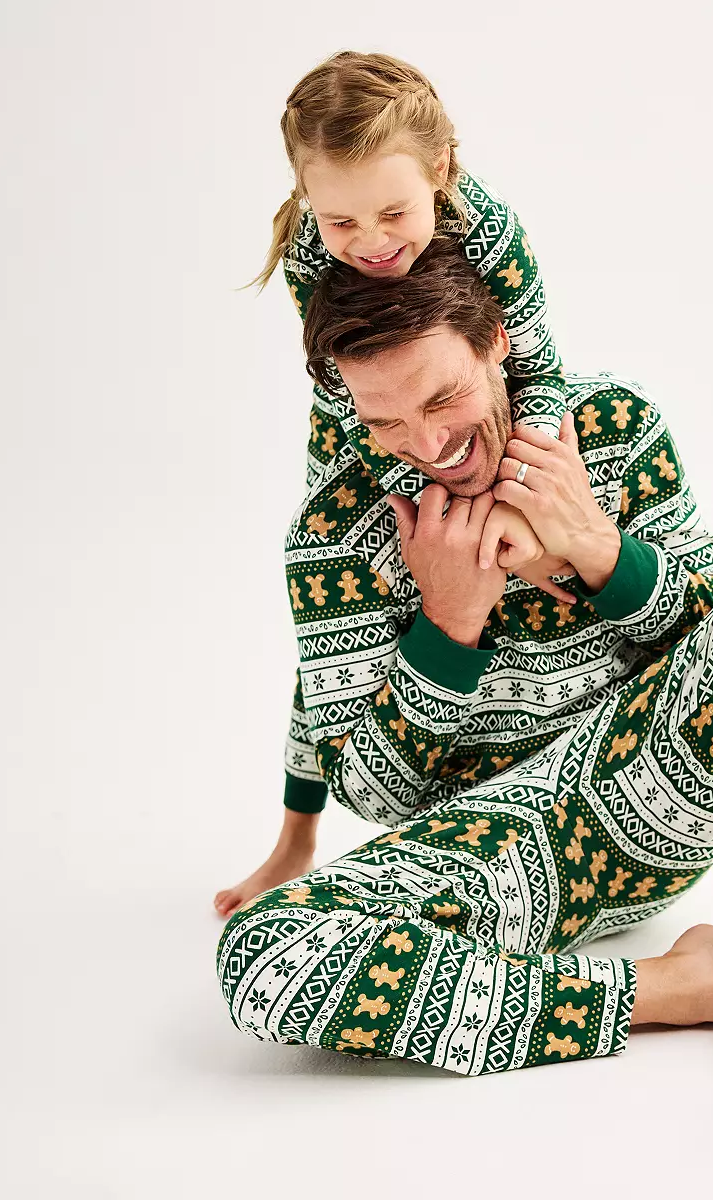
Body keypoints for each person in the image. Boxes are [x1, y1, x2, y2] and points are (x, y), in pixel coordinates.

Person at [216, 241, 713, 1127]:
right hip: (490, 858)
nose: (427, 445)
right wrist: (448, 624)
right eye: (383, 420)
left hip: (657, 782)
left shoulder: (611, 429)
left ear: (497, 340)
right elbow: (378, 794)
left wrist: (597, 551)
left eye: (442, 396)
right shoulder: (332, 537)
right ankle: (681, 986)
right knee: (266, 955)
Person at [215, 52, 575, 912]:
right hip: (363, 435)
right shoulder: (314, 257)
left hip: (479, 426)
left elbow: (543, 372)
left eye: (393, 213)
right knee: (331, 639)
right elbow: (346, 393)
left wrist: (510, 497)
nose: (371, 244)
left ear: (440, 172)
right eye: (340, 220)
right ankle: (295, 836)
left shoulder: (490, 231)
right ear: (307, 199)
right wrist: (416, 488)